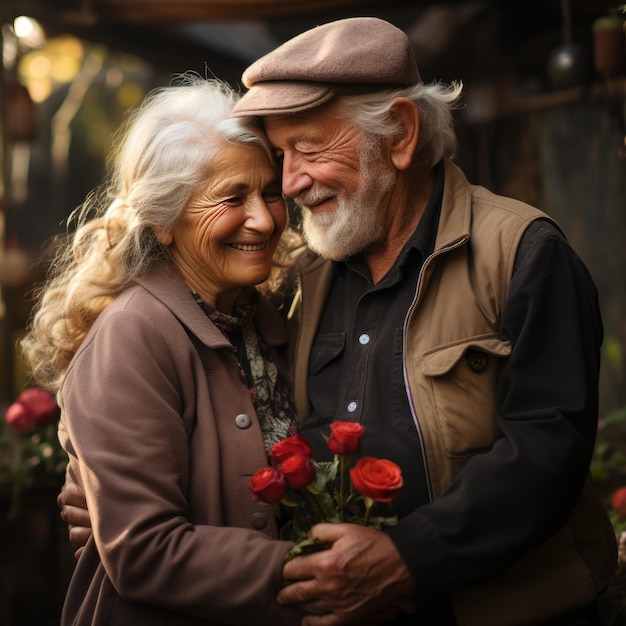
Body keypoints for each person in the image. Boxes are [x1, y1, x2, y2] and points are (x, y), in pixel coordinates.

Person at [58, 17, 618, 626]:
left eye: (307, 147)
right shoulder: (305, 278)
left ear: (400, 134)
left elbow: (546, 453)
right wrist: (108, 485)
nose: (288, 190)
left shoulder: (524, 255)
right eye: (280, 156)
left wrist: (405, 560)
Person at [21, 74, 308, 625]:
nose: (266, 218)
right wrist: (321, 572)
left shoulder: (260, 319)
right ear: (164, 218)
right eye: (231, 198)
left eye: (270, 191)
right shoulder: (132, 336)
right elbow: (144, 551)